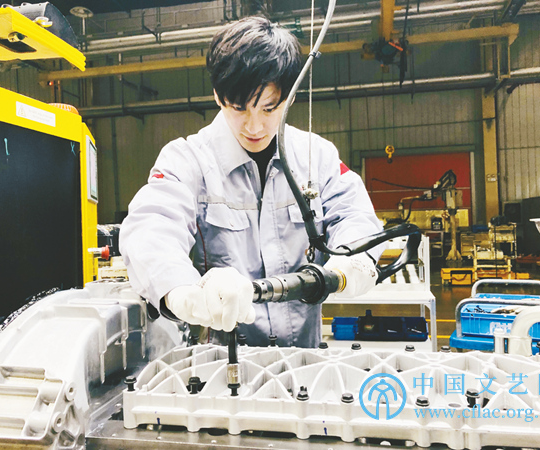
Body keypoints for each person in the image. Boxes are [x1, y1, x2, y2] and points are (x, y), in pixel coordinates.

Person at [120, 16, 384, 348]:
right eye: (239, 108)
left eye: (269, 109)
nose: (254, 127)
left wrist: (351, 260)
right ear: (218, 96)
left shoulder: (318, 157)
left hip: (303, 360)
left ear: (289, 97)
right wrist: (181, 291)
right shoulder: (186, 160)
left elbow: (354, 215)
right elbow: (151, 228)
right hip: (220, 363)